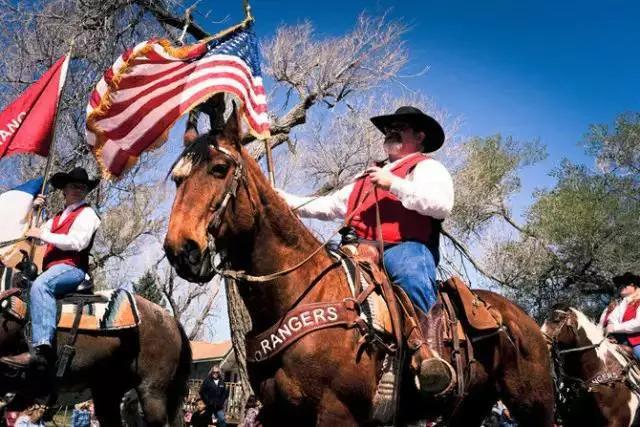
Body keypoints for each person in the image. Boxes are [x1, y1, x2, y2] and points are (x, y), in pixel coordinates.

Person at [277, 106, 455, 394]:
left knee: (410, 274)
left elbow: (440, 204)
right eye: (388, 128)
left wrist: (394, 184)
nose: (390, 131)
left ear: (420, 136)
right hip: (359, 249)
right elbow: (331, 206)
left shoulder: (427, 167)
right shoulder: (368, 175)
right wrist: (286, 200)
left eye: (400, 126)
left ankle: (430, 357)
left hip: (405, 246)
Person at [0, 167, 100, 370]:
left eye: (82, 187)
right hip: (50, 268)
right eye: (73, 186)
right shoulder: (55, 218)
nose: (77, 189)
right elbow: (34, 237)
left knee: (40, 286)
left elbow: (77, 242)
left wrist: (43, 235)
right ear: (64, 189)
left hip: (72, 268)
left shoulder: (88, 213)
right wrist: (35, 210)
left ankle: (42, 349)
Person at [603, 272, 640, 359]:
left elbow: (639, 323)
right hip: (620, 341)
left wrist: (614, 328)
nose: (621, 287)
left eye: (625, 284)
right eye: (619, 286)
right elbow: (611, 320)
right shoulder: (621, 304)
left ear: (633, 285)